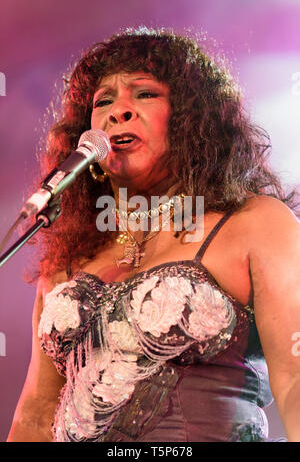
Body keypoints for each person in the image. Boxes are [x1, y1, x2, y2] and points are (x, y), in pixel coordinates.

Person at [7, 27, 300, 442]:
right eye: (103, 101)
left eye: (144, 94)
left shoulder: (254, 223)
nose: (118, 111)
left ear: (190, 118)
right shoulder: (68, 261)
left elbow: (295, 377)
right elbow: (35, 414)